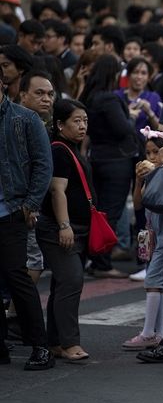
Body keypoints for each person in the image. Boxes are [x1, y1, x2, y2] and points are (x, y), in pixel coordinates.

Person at [0, 64, 54, 370]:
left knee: (17, 278)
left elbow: (43, 166)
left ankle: (41, 347)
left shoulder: (25, 119)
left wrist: (30, 204)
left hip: (11, 211)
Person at [35, 99, 91, 362]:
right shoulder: (59, 150)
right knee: (71, 280)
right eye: (76, 121)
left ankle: (55, 341)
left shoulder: (72, 148)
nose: (82, 126)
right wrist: (64, 225)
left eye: (85, 120)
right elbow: (57, 191)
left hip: (76, 228)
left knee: (61, 284)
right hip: (58, 228)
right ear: (60, 124)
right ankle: (69, 343)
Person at [79, 55, 138, 278]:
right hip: (116, 161)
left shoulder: (90, 96)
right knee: (111, 212)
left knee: (99, 210)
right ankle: (102, 262)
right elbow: (123, 129)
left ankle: (94, 257)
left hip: (98, 158)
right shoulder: (110, 99)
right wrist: (131, 117)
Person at [123, 130, 163, 350]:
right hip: (152, 231)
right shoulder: (148, 174)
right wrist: (139, 178)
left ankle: (148, 333)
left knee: (153, 279)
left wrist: (161, 167)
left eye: (156, 152)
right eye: (148, 152)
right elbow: (138, 204)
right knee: (157, 281)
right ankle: (159, 332)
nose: (151, 157)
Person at [115, 57, 161, 131]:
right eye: (135, 72)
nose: (139, 77)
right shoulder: (116, 96)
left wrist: (150, 113)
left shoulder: (154, 97)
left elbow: (161, 129)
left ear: (148, 77)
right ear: (128, 75)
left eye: (143, 73)